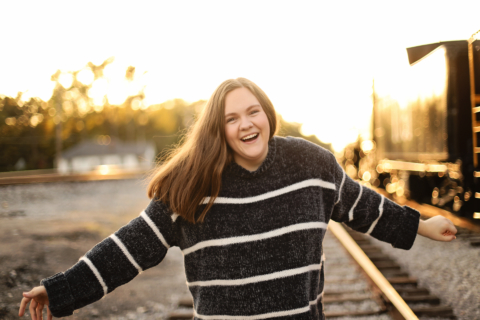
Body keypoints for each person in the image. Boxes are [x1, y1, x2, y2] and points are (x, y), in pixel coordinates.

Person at [19, 78, 457, 320]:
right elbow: (130, 246)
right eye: (232, 118)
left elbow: (360, 202)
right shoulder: (191, 185)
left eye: (253, 111)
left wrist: (419, 224)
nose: (246, 124)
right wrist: (61, 291)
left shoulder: (309, 164)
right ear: (219, 129)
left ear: (268, 114)